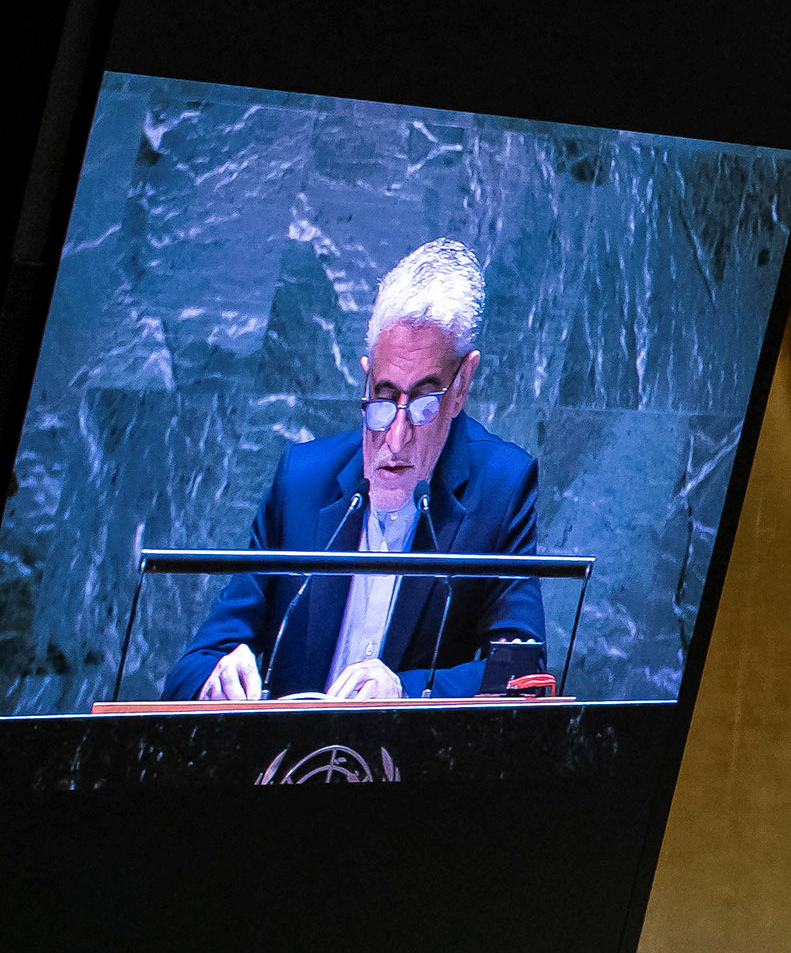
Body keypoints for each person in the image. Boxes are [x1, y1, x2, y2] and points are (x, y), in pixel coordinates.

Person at [165, 240, 546, 702]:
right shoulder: (303, 482)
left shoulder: (502, 488)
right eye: (383, 398)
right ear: (366, 375)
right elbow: (194, 666)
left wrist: (404, 693)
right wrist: (218, 679)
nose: (396, 439)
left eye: (424, 403)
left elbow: (524, 679)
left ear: (461, 384)